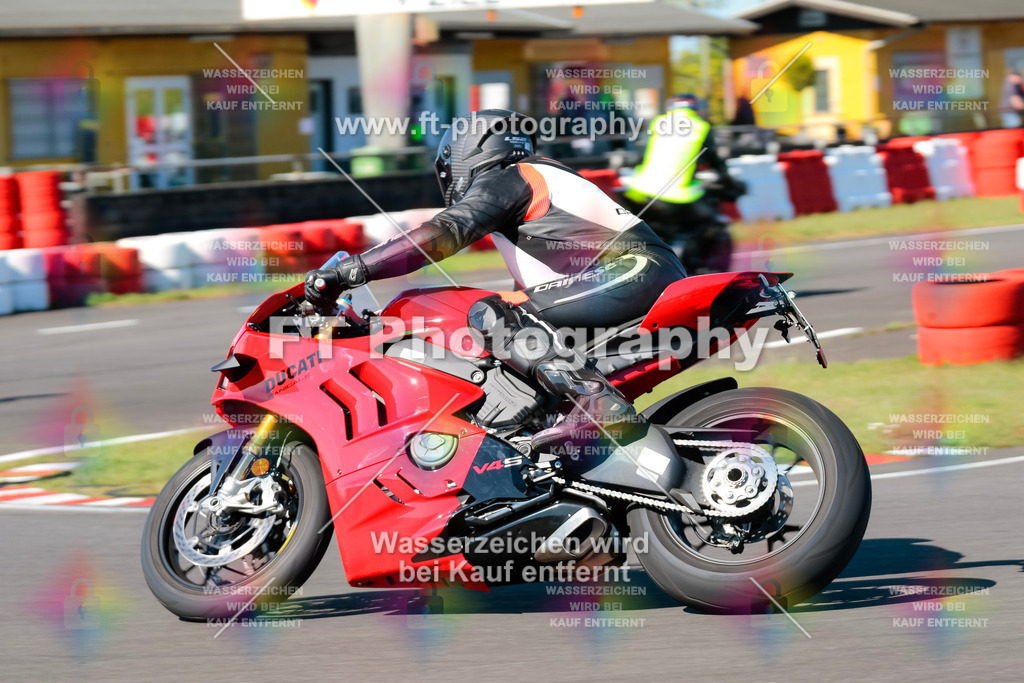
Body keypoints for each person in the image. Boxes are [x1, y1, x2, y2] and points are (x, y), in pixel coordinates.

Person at [305, 109, 684, 462]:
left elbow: (444, 233)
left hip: (635, 271)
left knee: (491, 314)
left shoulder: (513, 176)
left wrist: (352, 270)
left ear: (468, 151)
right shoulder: (537, 188)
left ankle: (600, 404)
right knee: (505, 319)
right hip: (629, 275)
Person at [620, 95, 745, 273]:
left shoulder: (658, 122)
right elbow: (716, 163)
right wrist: (731, 182)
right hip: (675, 196)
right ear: (695, 109)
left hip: (639, 192)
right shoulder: (700, 127)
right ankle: (695, 267)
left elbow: (640, 156)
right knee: (707, 220)